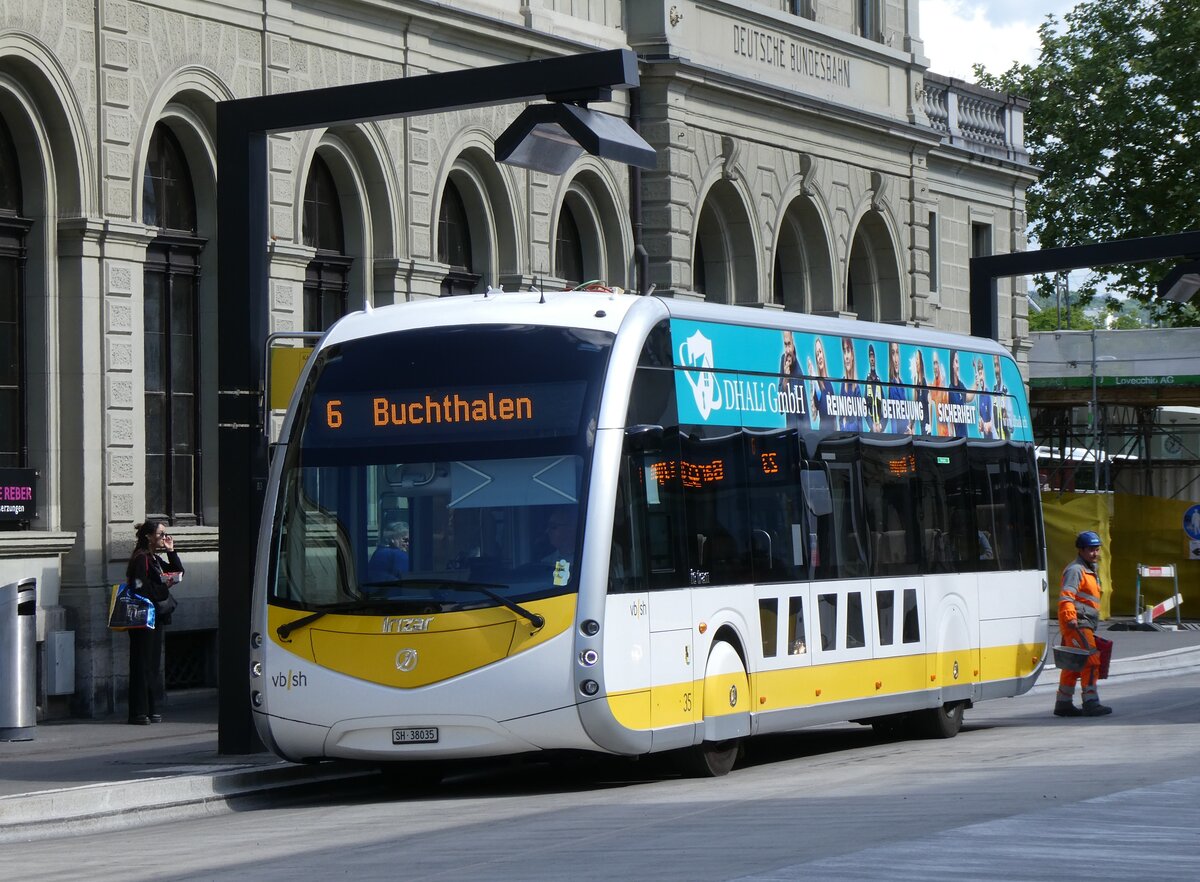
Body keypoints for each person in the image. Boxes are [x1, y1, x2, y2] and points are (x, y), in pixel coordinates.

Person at [125, 520, 183, 725]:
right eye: (160, 534)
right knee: (142, 663)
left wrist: (171, 551)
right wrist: (162, 590)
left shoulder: (155, 558)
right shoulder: (141, 559)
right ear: (149, 536)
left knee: (152, 664)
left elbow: (178, 573)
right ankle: (138, 711)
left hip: (155, 616)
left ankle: (151, 709)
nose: (164, 538)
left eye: (165, 534)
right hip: (143, 617)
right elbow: (139, 586)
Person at [1054, 530, 1112, 717]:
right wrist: (1071, 617)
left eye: (1097, 549)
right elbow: (1066, 596)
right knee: (1091, 660)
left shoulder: (1089, 569)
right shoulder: (1076, 570)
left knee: (1073, 663)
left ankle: (1063, 703)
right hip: (1077, 623)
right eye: (1091, 549)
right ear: (1081, 550)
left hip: (1082, 622)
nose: (1095, 553)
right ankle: (1091, 702)